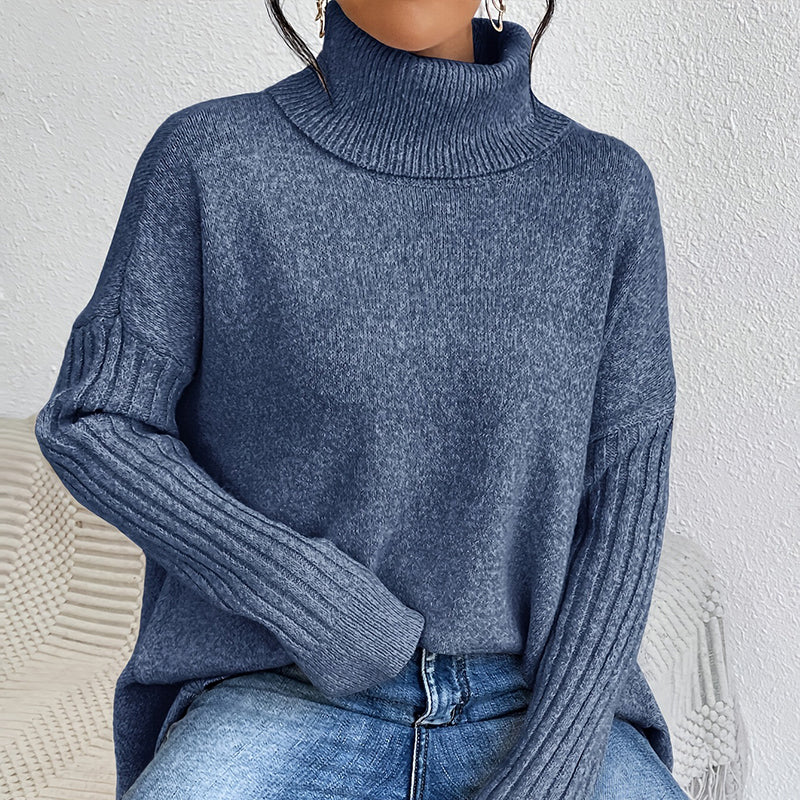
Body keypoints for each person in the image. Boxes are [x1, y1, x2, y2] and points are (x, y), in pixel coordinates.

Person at [34, 1, 689, 798]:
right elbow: (95, 417)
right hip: (279, 684)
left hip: (539, 707)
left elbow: (624, 505)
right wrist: (307, 597)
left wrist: (551, 772)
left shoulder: (604, 190)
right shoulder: (212, 158)